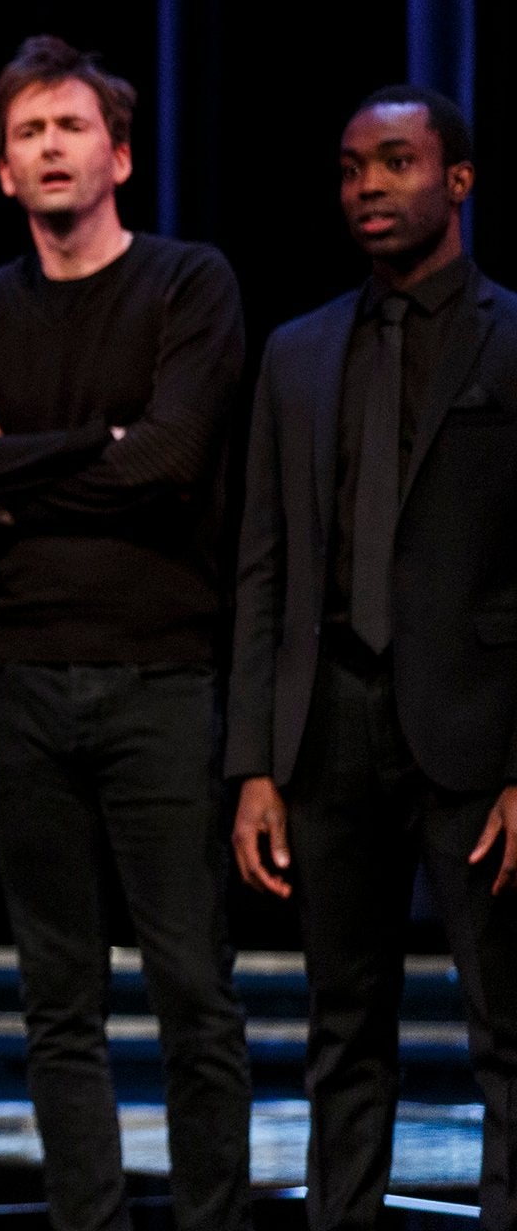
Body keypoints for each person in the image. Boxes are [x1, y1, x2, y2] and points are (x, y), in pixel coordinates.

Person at [0, 35, 252, 1231]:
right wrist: (87, 449)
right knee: (55, 997)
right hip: (12, 679)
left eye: (67, 128)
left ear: (114, 153)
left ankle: (213, 1218)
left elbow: (167, 463)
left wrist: (11, 464)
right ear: (3, 172)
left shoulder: (184, 283)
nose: (48, 148)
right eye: (25, 133)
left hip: (157, 676)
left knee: (190, 988)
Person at [228, 86, 517, 1231]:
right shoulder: (298, 354)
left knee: (503, 1027)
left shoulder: (509, 337)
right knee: (341, 1025)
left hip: (473, 732)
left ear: (454, 179)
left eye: (394, 163)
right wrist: (253, 759)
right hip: (328, 726)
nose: (366, 188)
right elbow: (261, 568)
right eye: (351, 168)